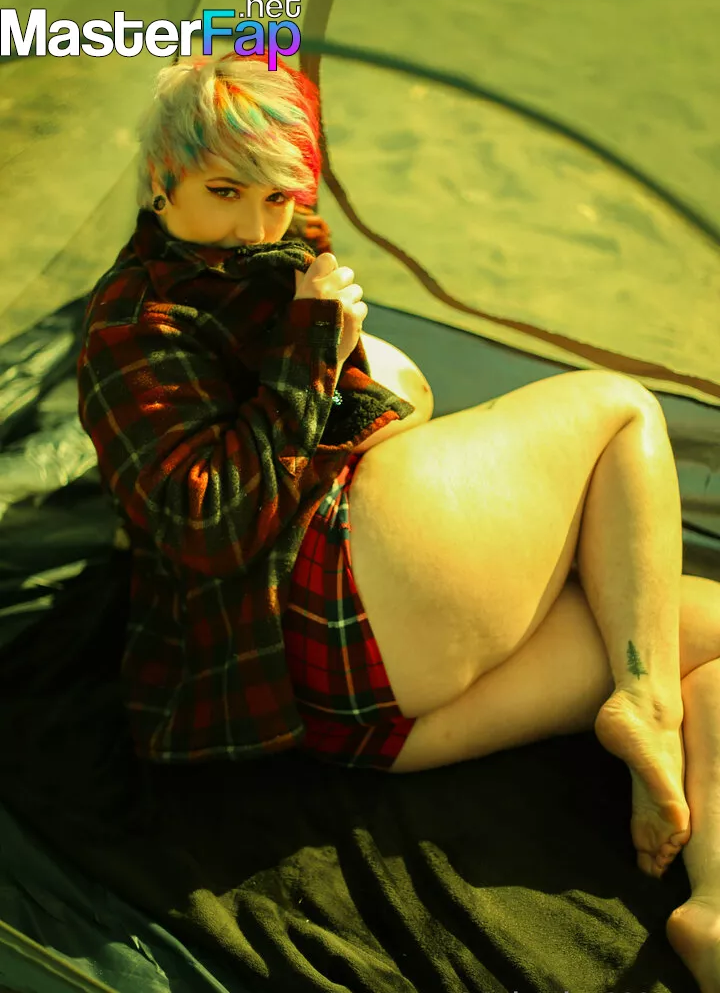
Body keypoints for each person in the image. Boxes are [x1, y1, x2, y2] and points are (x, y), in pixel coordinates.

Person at [76, 50, 720, 992]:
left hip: (367, 721)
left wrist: (352, 374)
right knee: (620, 411)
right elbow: (208, 525)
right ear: (161, 179)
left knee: (693, 625)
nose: (254, 225)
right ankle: (646, 703)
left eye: (278, 196)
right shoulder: (135, 325)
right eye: (224, 192)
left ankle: (713, 910)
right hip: (313, 617)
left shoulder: (275, 251)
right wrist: (314, 352)